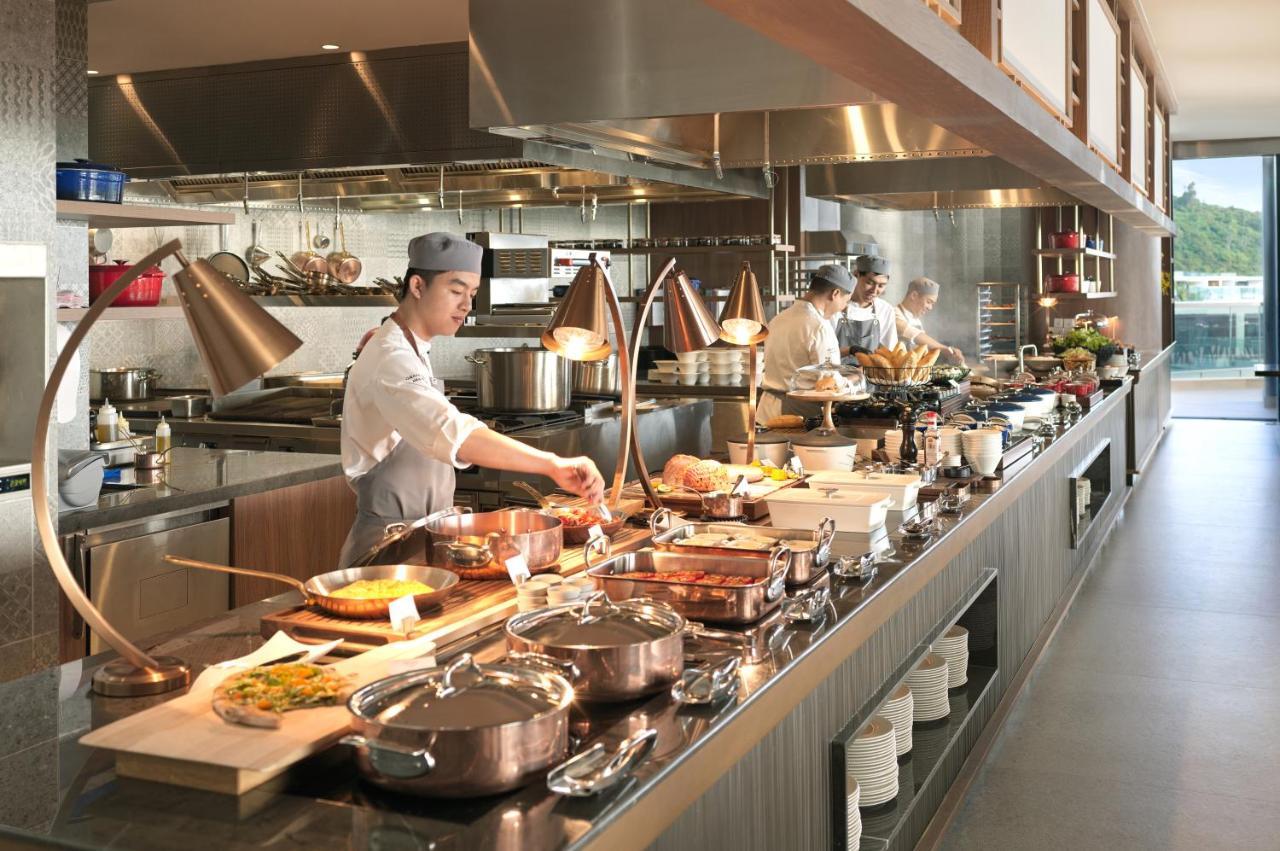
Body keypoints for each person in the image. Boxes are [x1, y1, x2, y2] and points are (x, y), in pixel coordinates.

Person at [337, 232, 605, 568]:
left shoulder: (412, 348)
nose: (466, 305)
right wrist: (552, 464)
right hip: (387, 553)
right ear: (418, 286)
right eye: (456, 290)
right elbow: (454, 434)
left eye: (472, 294)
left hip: (424, 543)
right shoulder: (391, 357)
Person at [757, 264, 852, 423]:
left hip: (766, 411)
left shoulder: (778, 319)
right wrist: (853, 381)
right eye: (846, 301)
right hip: (797, 414)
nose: (844, 307)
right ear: (835, 294)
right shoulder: (819, 327)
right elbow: (829, 381)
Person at [833, 255, 898, 363]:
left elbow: (890, 351)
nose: (874, 290)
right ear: (856, 275)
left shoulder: (885, 310)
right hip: (836, 372)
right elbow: (824, 351)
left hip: (871, 372)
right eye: (870, 283)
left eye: (881, 286)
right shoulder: (835, 305)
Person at [895, 276, 965, 364]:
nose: (930, 308)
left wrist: (948, 354)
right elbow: (911, 333)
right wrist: (943, 348)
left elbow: (924, 349)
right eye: (928, 302)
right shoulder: (893, 313)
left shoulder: (917, 321)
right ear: (914, 295)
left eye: (932, 304)